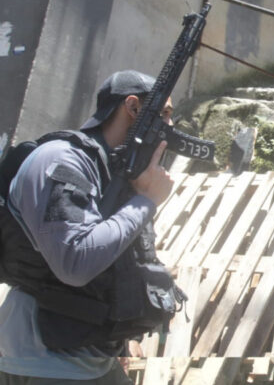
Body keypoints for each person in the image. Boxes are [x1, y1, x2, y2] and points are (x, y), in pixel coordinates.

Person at [0, 70, 182, 383]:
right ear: (133, 107)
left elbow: (114, 266)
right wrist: (146, 200)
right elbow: (75, 263)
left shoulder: (114, 170)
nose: (171, 125)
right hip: (44, 360)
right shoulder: (60, 161)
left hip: (93, 355)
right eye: (164, 113)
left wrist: (118, 345)